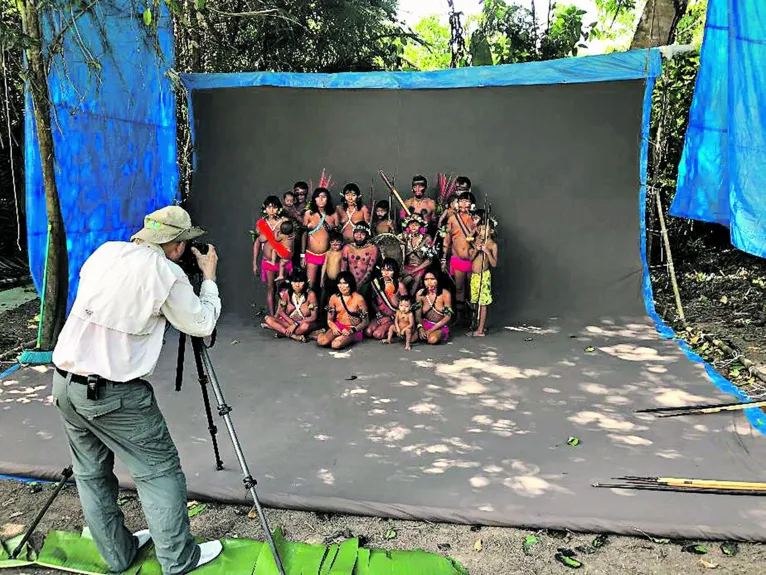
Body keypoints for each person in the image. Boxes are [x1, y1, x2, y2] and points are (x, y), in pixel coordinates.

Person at [50, 206, 223, 575]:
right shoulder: (168, 273)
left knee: (91, 475)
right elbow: (201, 323)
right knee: (159, 472)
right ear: (176, 245)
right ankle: (179, 560)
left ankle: (118, 555)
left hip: (64, 382)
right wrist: (208, 278)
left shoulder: (106, 251)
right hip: (112, 392)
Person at [441, 191, 477, 325]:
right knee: (459, 288)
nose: (464, 204)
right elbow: (447, 241)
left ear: (472, 204)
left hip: (473, 260)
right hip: (457, 259)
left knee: (472, 288)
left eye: (467, 201)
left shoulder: (475, 219)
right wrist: (444, 258)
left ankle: (473, 317)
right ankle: (460, 317)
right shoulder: (452, 219)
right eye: (461, 201)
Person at [253, 195, 291, 316]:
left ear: (279, 208)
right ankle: (272, 315)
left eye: (274, 207)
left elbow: (290, 240)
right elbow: (257, 243)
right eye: (269, 207)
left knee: (282, 289)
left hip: (282, 261)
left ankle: (281, 315)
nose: (272, 210)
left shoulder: (284, 222)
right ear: (265, 209)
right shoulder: (260, 224)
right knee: (270, 288)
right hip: (267, 261)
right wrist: (254, 263)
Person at [262, 269, 319, 342]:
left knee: (305, 326)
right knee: (268, 319)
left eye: (300, 282)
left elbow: (313, 316)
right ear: (291, 283)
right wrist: (292, 323)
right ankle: (293, 336)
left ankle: (281, 331)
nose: (297, 285)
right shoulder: (286, 293)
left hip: (303, 324)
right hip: (289, 323)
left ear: (305, 282)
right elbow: (281, 311)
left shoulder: (310, 295)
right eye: (294, 282)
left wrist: (296, 324)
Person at [317, 271, 370, 350]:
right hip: (338, 326)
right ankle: (320, 333)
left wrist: (352, 330)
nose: (342, 286)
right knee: (322, 341)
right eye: (340, 283)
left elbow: (365, 321)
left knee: (335, 344)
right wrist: (333, 327)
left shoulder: (359, 299)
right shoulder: (334, 298)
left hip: (353, 329)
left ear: (350, 284)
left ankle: (347, 338)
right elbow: (329, 319)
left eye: (345, 283)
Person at [302, 187, 339, 292]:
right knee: (310, 285)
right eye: (318, 197)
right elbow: (304, 234)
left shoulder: (333, 215)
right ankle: (310, 307)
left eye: (324, 197)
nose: (321, 199)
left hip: (327, 254)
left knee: (326, 286)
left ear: (328, 199)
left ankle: (325, 308)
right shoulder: (308, 214)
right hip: (311, 253)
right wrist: (302, 255)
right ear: (314, 199)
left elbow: (337, 236)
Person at [468, 214, 498, 337]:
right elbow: (470, 259)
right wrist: (476, 249)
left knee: (483, 303)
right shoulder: (476, 241)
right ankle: (475, 325)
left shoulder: (492, 245)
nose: (481, 231)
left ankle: (480, 330)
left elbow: (494, 264)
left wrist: (486, 251)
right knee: (475, 302)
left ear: (491, 231)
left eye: (484, 229)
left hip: (483, 276)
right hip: (474, 276)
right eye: (480, 229)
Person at [366, 258, 408, 340]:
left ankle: (395, 330)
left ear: (394, 271)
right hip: (381, 315)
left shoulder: (399, 285)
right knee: (368, 332)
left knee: (377, 334)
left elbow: (406, 305)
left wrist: (392, 318)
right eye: (383, 270)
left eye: (389, 270)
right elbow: (373, 301)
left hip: (394, 317)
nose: (386, 273)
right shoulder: (376, 284)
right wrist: (379, 314)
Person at [414, 268, 453, 345]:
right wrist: (420, 327)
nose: (429, 282)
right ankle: (424, 334)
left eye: (432, 279)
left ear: (438, 279)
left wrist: (431, 330)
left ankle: (433, 335)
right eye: (426, 279)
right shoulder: (420, 294)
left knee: (432, 339)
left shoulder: (445, 294)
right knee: (410, 338)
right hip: (425, 324)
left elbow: (448, 316)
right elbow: (417, 314)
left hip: (440, 326)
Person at [341, 221, 379, 298]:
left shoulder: (372, 249)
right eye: (356, 233)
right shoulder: (347, 248)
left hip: (365, 283)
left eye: (362, 233)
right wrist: (345, 284)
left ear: (367, 235)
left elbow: (369, 270)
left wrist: (358, 285)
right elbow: (343, 269)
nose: (359, 236)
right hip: (349, 283)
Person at [400, 213, 434, 296]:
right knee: (401, 281)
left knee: (418, 277)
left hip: (420, 268)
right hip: (407, 267)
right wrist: (392, 227)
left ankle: (412, 300)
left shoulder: (427, 238)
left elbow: (429, 260)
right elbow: (396, 242)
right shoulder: (406, 236)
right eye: (411, 224)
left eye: (416, 224)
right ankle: (403, 301)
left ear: (421, 226)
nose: (413, 227)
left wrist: (414, 270)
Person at [320, 230, 344, 309]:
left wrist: (342, 282)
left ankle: (334, 312)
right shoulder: (328, 253)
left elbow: (343, 268)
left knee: (336, 297)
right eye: (332, 242)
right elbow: (324, 266)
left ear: (342, 243)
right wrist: (322, 279)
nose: (335, 245)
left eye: (337, 243)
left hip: (337, 280)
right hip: (328, 279)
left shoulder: (342, 253)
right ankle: (324, 312)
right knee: (326, 296)